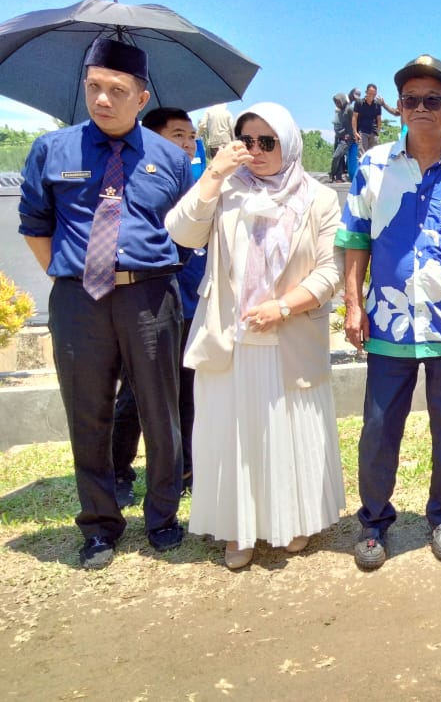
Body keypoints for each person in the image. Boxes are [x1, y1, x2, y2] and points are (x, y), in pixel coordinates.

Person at [18, 38, 191, 568]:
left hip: (150, 297)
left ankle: (162, 516)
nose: (102, 100)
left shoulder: (169, 158)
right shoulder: (54, 150)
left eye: (117, 90)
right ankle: (99, 525)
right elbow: (36, 225)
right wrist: (69, 272)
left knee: (160, 411)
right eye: (94, 87)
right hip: (79, 302)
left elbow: (186, 229)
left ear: (141, 98)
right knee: (88, 414)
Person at [165, 101, 345, 570]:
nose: (258, 151)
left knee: (291, 433)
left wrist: (283, 306)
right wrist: (212, 175)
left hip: (290, 335)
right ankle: (237, 528)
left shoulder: (318, 199)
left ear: (288, 144)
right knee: (233, 437)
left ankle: (296, 519)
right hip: (232, 337)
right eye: (249, 141)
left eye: (269, 142)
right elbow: (181, 233)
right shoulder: (226, 191)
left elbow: (331, 272)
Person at [340, 54, 441, 572]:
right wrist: (352, 304)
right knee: (379, 428)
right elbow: (355, 240)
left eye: (433, 100)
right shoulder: (373, 167)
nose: (421, 108)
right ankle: (374, 523)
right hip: (387, 325)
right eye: (410, 100)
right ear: (398, 109)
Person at [111, 107, 206, 503]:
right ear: (150, 139)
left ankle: (184, 468)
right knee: (135, 394)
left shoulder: (199, 185)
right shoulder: (138, 186)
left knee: (187, 392)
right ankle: (118, 470)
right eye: (177, 135)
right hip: (149, 304)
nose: (187, 144)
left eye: (190, 136)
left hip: (189, 305)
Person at [352, 83, 400, 153]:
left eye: (374, 94)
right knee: (362, 154)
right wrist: (355, 132)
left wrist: (378, 131)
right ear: (366, 92)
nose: (372, 96)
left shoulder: (377, 104)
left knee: (375, 154)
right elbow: (354, 117)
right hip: (362, 132)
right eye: (370, 93)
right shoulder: (359, 102)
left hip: (373, 132)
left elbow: (379, 118)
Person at [330, 90, 360, 182]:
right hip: (339, 137)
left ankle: (333, 173)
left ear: (343, 100)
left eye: (338, 101)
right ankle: (337, 176)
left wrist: (351, 134)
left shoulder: (349, 109)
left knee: (337, 156)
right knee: (339, 157)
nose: (337, 103)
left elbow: (355, 122)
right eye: (335, 102)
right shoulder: (340, 111)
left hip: (347, 139)